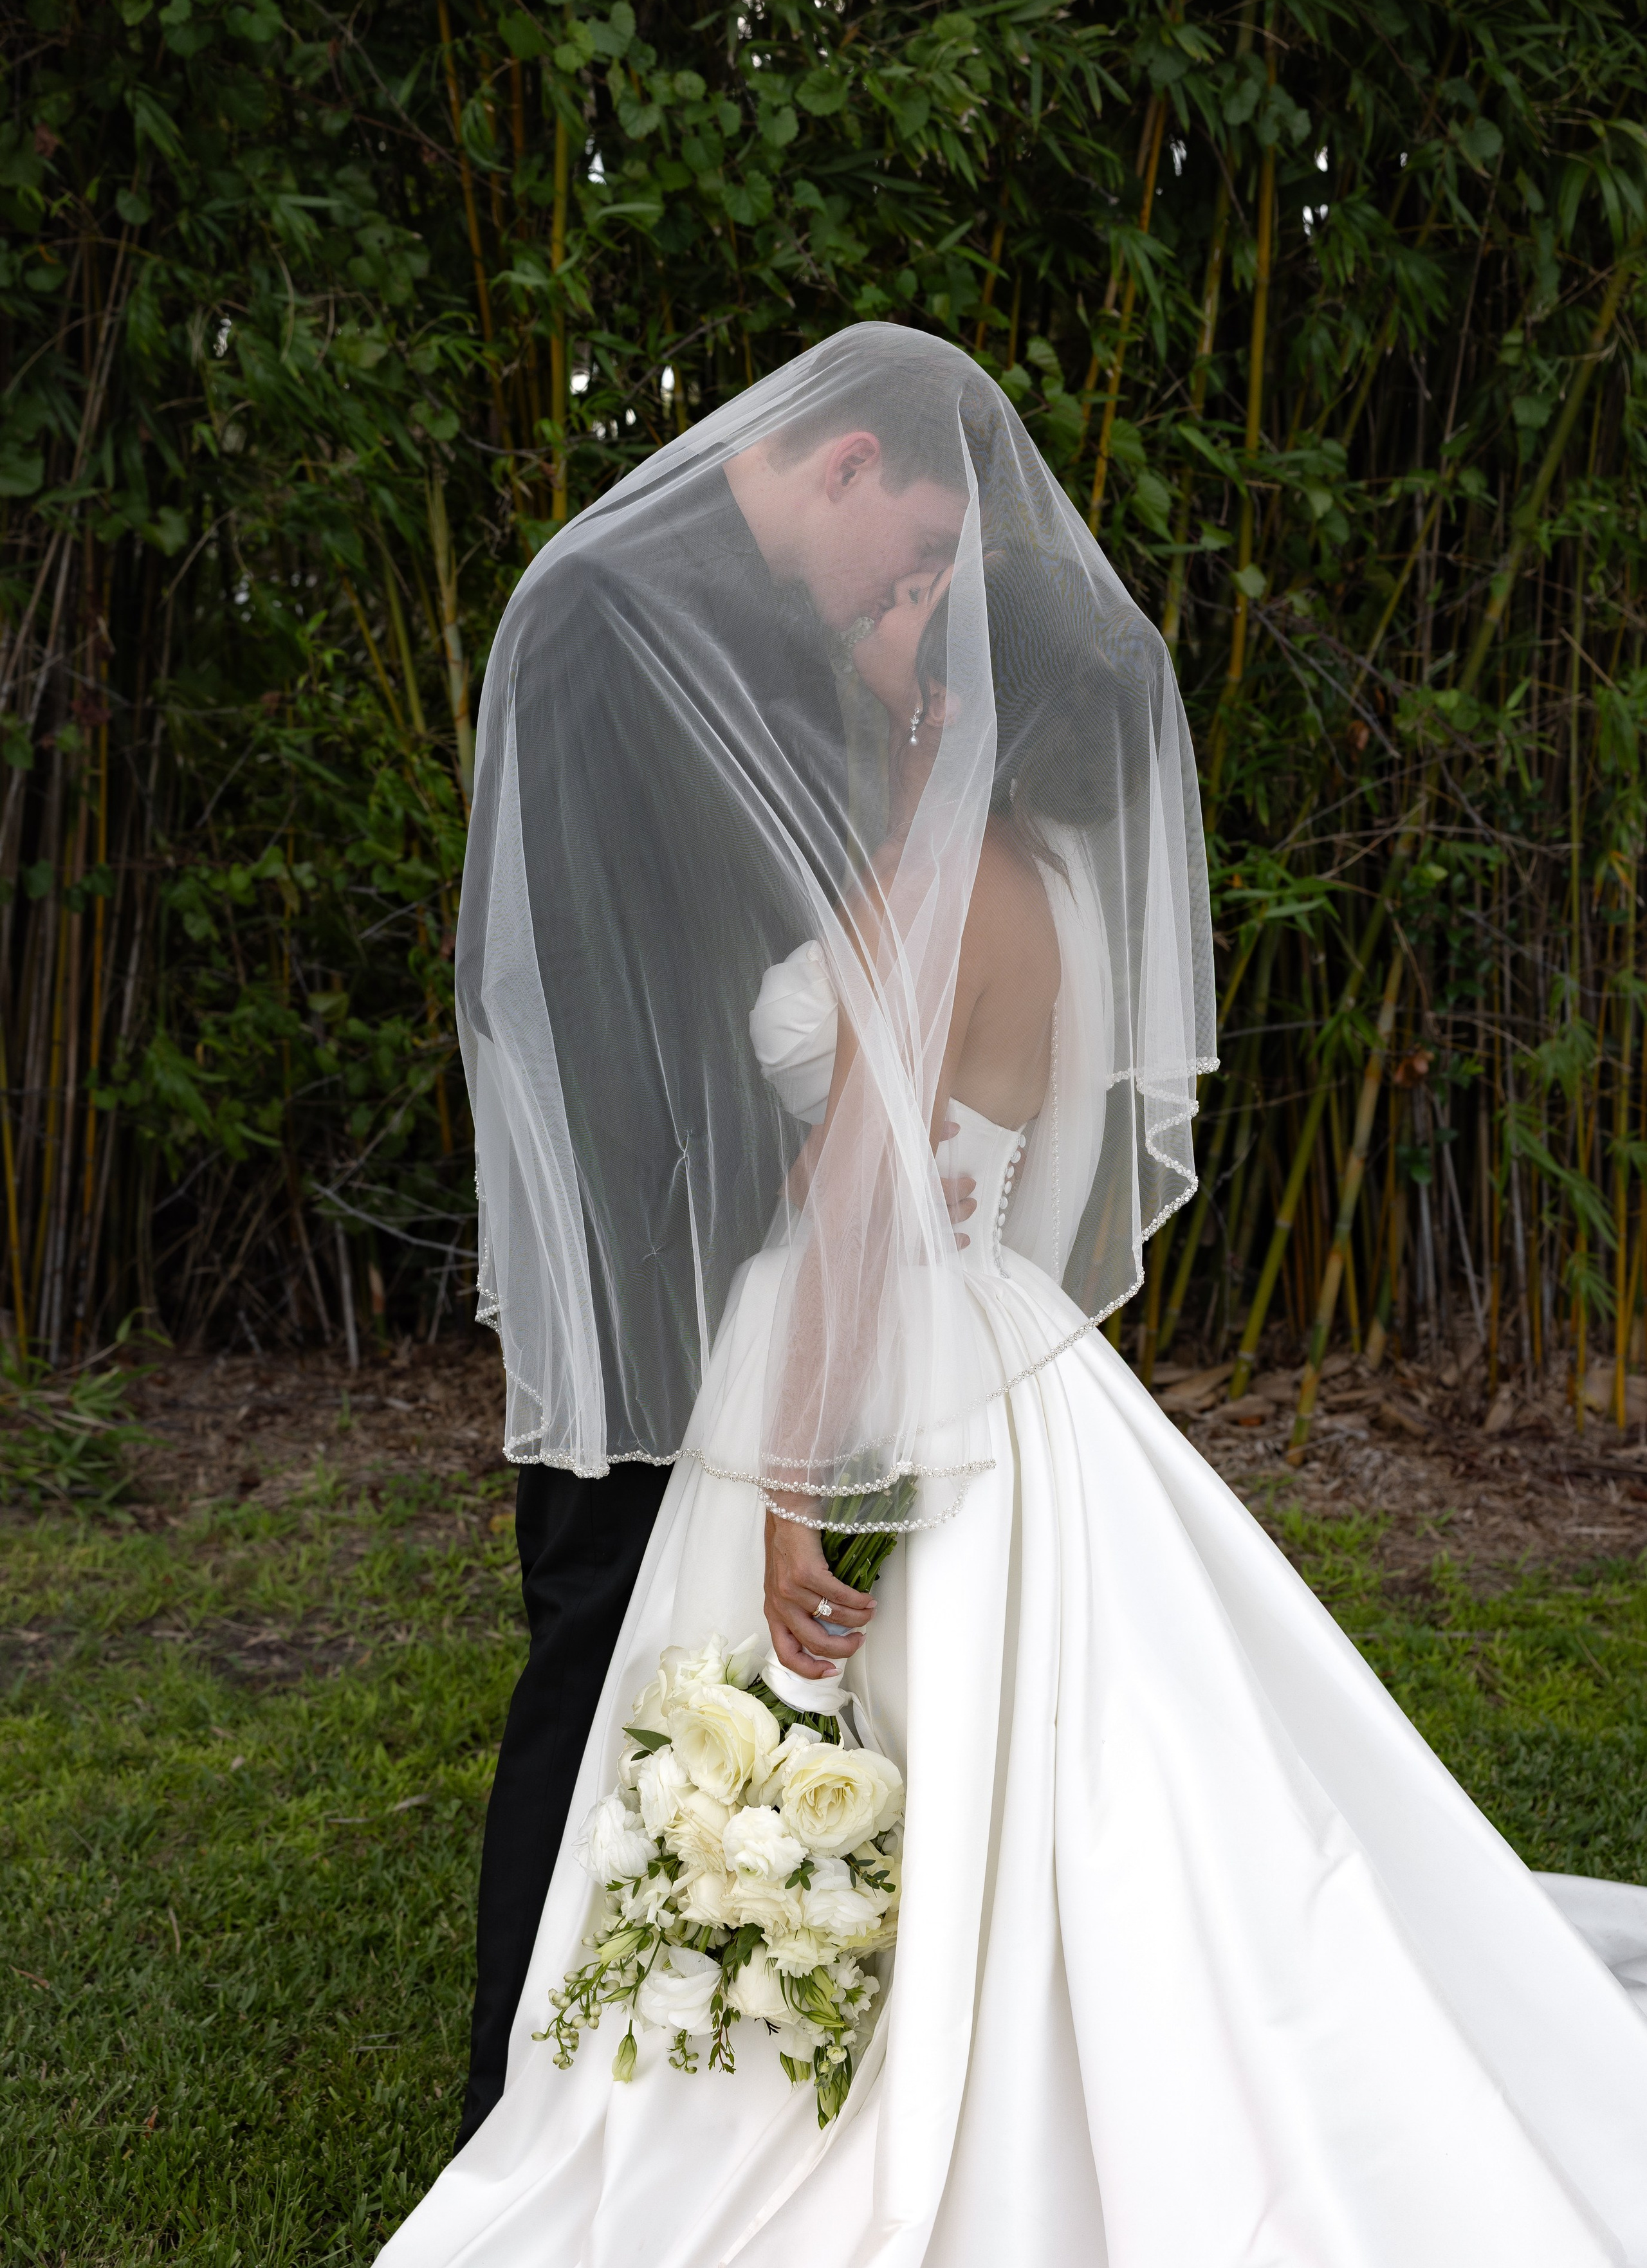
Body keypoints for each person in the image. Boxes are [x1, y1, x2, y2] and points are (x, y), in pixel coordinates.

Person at [389, 327, 1647, 2264]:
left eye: (919, 603)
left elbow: (873, 1203)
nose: (889, 618)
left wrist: (801, 1455)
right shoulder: (1025, 871)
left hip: (867, 1344)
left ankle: (829, 2084)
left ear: (979, 683)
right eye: (897, 585)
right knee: (1041, 1759)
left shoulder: (946, 879)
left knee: (860, 1710)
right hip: (997, 1358)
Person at [453, 329, 972, 2146]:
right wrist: (774, 1190)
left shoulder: (756, 610)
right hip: (642, 1217)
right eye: (900, 547)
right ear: (839, 463)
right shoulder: (607, 603)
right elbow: (594, 973)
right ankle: (512, 2083)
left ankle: (687, 2038)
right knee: (592, 1622)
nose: (894, 593)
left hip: (761, 1207)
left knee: (696, 1641)